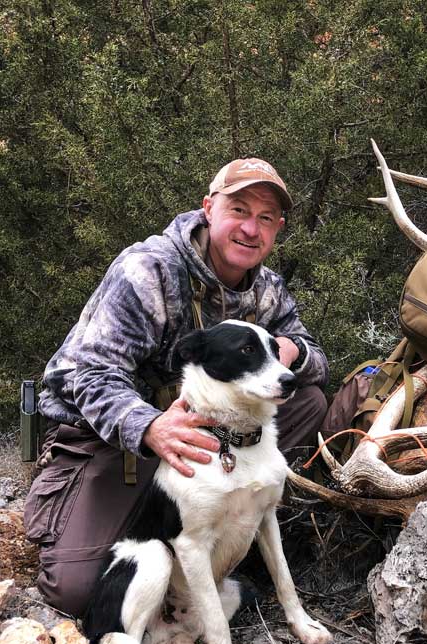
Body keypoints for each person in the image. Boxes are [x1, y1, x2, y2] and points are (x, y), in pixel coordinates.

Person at [24, 158, 329, 617]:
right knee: (78, 591)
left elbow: (315, 361)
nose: (251, 228)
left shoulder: (268, 289)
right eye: (239, 210)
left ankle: (230, 531)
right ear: (209, 209)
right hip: (119, 443)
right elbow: (85, 372)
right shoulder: (149, 270)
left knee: (308, 400)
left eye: (265, 218)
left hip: (211, 436)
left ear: (278, 228)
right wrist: (149, 427)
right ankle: (118, 522)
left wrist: (289, 351)